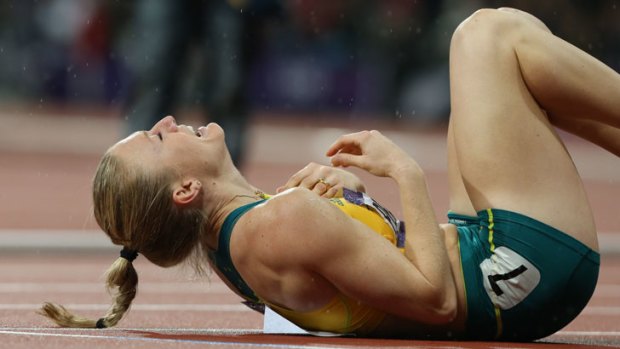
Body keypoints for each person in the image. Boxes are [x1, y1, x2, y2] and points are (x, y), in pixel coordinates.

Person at [40, 8, 620, 340]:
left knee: (512, 82)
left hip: (486, 263)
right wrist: (405, 171)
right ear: (186, 190)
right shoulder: (278, 222)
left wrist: (353, 203)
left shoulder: (239, 235)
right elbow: (437, 302)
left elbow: (341, 297)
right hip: (517, 273)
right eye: (156, 139)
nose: (166, 120)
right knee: (489, 35)